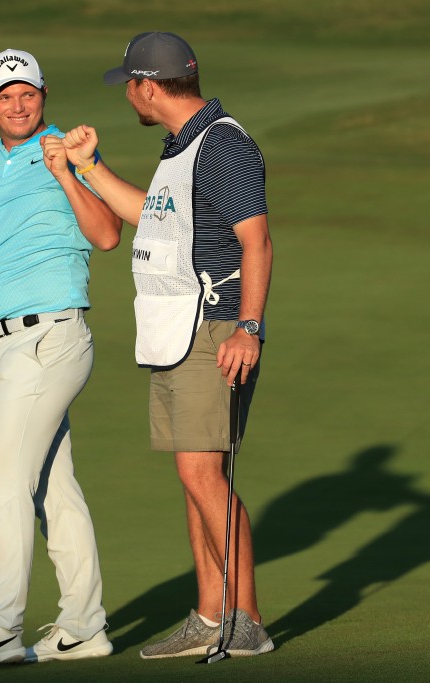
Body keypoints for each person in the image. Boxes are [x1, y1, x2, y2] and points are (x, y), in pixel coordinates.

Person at [59, 32, 274, 659]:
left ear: (148, 87)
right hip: (175, 332)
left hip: (214, 329)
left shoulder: (222, 145)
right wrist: (87, 168)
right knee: (191, 479)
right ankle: (210, 616)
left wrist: (248, 328)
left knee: (204, 474)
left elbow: (257, 240)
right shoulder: (183, 147)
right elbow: (146, 216)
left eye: (129, 83)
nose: (128, 93)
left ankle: (247, 620)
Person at [0, 48, 122, 667]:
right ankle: (83, 626)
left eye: (29, 94)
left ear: (44, 96)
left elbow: (106, 234)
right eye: (5, 96)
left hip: (51, 338)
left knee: (0, 476)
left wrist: (71, 171)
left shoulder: (69, 151)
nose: (18, 105)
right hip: (1, 343)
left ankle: (1, 628)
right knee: (50, 487)